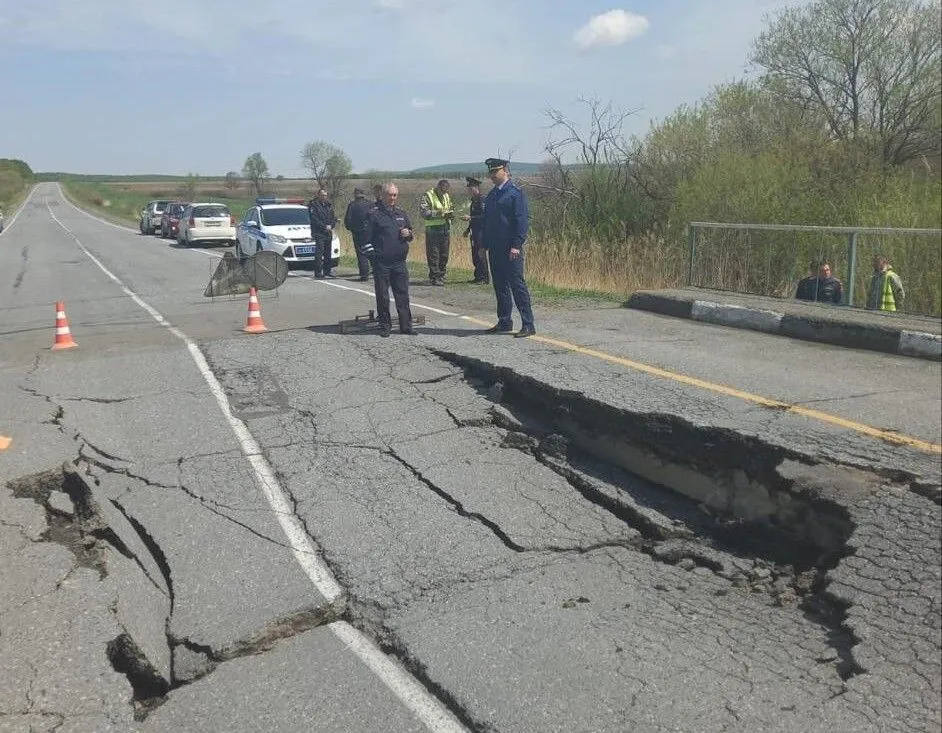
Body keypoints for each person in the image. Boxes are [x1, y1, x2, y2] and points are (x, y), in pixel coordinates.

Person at [480, 158, 535, 338]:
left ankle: (528, 324)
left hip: (511, 249)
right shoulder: (492, 195)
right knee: (500, 286)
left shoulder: (515, 193)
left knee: (517, 286)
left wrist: (517, 245)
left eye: (495, 172)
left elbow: (521, 221)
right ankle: (504, 321)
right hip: (495, 249)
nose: (492, 176)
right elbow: (488, 223)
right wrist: (484, 245)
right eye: (491, 173)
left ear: (505, 171)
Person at [361, 183, 417, 337]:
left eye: (395, 195)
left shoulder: (401, 213)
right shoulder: (374, 214)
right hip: (382, 264)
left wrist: (409, 234)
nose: (392, 198)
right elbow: (365, 241)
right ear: (384, 195)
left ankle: (406, 326)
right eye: (390, 195)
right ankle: (385, 326)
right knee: (383, 296)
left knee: (403, 295)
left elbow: (410, 235)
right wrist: (375, 260)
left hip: (399, 262)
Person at [420, 179, 454, 286]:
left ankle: (442, 275)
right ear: (438, 187)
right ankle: (435, 277)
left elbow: (450, 207)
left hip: (445, 228)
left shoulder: (446, 195)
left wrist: (450, 214)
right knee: (434, 255)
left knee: (444, 254)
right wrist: (439, 213)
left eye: (445, 191)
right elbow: (424, 212)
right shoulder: (428, 195)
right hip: (433, 229)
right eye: (442, 191)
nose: (444, 193)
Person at [462, 176, 489, 284]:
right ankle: (478, 276)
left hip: (481, 231)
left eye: (470, 188)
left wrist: (470, 218)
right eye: (468, 188)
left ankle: (484, 277)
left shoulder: (481, 199)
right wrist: (468, 229)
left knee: (480, 253)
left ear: (476, 188)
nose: (469, 190)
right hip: (474, 231)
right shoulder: (473, 200)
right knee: (475, 254)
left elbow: (484, 216)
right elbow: (473, 216)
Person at [344, 187, 373, 281]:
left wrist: (351, 228)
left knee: (361, 253)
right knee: (372, 251)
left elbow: (347, 220)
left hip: (358, 232)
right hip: (370, 232)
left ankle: (364, 274)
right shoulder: (370, 204)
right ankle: (377, 271)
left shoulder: (352, 205)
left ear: (356, 194)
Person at [307, 188, 338, 278]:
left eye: (325, 195)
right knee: (319, 253)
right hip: (319, 232)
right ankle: (318, 272)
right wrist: (324, 226)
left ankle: (327, 271)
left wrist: (331, 225)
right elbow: (314, 219)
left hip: (328, 232)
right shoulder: (313, 205)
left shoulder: (328, 205)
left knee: (328, 252)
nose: (324, 197)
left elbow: (333, 218)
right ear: (318, 195)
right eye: (322, 195)